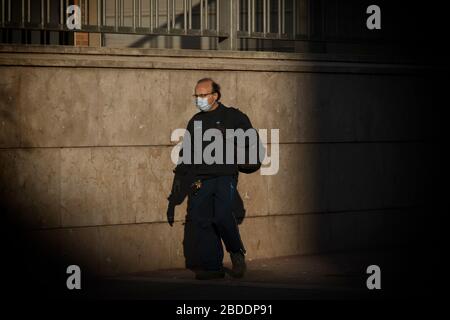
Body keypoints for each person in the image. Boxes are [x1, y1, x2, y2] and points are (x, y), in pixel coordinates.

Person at [166, 78, 263, 280]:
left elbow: (251, 140)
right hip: (200, 179)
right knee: (203, 221)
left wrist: (235, 146)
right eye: (197, 96)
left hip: (224, 176)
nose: (199, 99)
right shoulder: (196, 121)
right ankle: (212, 267)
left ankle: (236, 252)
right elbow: (187, 153)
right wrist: (175, 195)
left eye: (202, 95)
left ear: (215, 95)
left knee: (221, 216)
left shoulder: (232, 116)